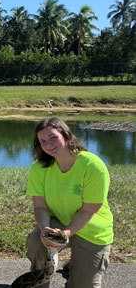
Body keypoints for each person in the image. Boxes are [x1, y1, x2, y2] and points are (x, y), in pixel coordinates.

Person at [24, 117, 112, 288]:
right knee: (36, 241)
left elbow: (88, 210)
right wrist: (44, 230)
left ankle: (74, 267)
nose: (48, 144)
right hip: (59, 223)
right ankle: (41, 280)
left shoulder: (93, 166)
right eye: (42, 141)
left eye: (53, 137)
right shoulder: (39, 168)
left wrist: (66, 233)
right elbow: (40, 206)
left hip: (91, 229)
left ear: (66, 135)